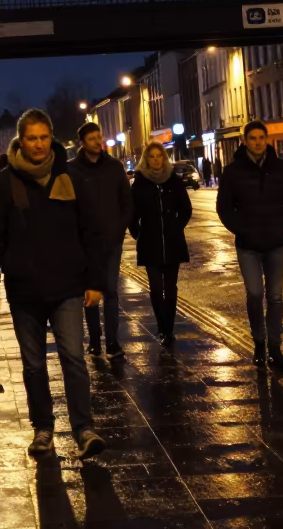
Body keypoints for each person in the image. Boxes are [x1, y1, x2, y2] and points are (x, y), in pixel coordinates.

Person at [0, 108, 107, 459]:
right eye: (32, 138)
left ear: (52, 138)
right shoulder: (5, 182)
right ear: (21, 140)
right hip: (24, 291)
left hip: (67, 286)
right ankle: (43, 429)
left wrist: (94, 281)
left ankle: (83, 428)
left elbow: (91, 232)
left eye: (44, 137)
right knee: (33, 365)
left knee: (74, 358)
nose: (38, 144)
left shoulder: (70, 176)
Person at [217, 121, 283, 371]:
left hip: (276, 242)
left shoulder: (280, 168)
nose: (257, 142)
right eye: (253, 138)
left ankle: (275, 348)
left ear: (267, 140)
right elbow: (224, 209)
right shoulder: (233, 172)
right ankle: (259, 342)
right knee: (255, 293)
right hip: (248, 245)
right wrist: (242, 229)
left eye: (261, 138)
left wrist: (281, 226)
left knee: (275, 297)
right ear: (245, 141)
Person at [67, 121, 133, 360]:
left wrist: (119, 228)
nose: (98, 141)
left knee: (111, 290)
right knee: (90, 291)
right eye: (92, 138)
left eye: (99, 136)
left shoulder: (114, 167)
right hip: (84, 242)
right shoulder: (72, 170)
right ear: (82, 143)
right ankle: (94, 340)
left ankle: (113, 342)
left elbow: (127, 201)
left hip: (111, 239)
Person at [129, 141, 192, 345]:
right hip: (150, 243)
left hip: (172, 243)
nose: (156, 160)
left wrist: (176, 226)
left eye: (159, 156)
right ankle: (161, 326)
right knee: (156, 288)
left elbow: (185, 209)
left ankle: (169, 329)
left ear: (164, 159)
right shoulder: (140, 183)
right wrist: (138, 233)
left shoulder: (173, 181)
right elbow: (131, 213)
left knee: (171, 288)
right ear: (146, 159)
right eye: (152, 156)